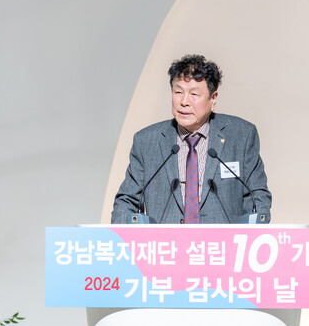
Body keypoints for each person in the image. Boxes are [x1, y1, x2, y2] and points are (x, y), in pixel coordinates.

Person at [111, 54, 272, 224]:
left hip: (223, 241)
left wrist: (247, 236)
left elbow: (257, 198)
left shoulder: (241, 136)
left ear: (213, 98)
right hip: (165, 240)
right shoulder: (146, 141)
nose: (184, 102)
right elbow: (126, 202)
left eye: (194, 94)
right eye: (178, 92)